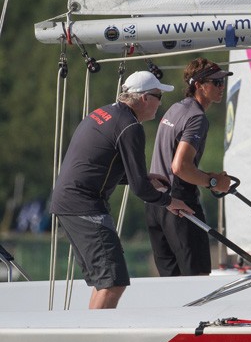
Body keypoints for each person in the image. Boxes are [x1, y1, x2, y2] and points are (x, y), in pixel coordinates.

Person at [50, 71, 194, 309]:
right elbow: (140, 189)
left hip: (68, 202)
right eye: (159, 96)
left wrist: (146, 177)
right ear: (145, 98)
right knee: (113, 282)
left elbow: (101, 165)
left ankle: (91, 333)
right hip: (84, 205)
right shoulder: (130, 127)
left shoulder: (104, 112)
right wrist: (169, 202)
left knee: (104, 282)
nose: (161, 103)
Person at [145, 58, 233, 277]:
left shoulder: (175, 108)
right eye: (216, 82)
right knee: (197, 280)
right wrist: (214, 182)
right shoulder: (197, 117)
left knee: (172, 284)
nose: (221, 87)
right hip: (178, 203)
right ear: (199, 85)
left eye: (222, 82)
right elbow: (180, 167)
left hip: (155, 203)